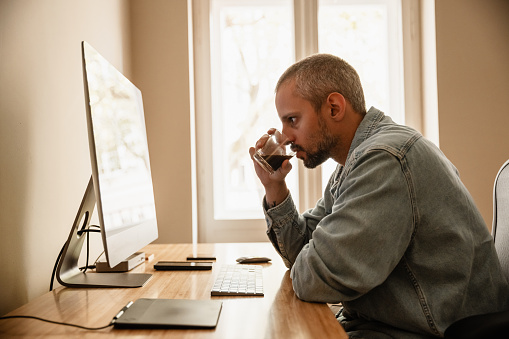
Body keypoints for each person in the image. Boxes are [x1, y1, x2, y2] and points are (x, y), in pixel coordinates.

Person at [249, 54, 509, 338]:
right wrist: (275, 188)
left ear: (334, 108)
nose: (284, 136)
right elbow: (305, 257)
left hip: (422, 332)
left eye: (292, 120)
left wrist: (313, 259)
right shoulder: (352, 164)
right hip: (386, 326)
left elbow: (315, 277)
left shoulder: (384, 160)